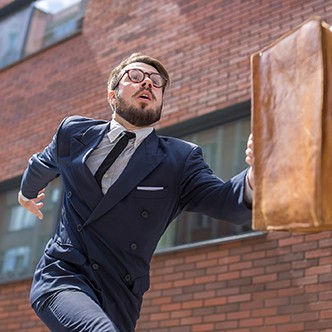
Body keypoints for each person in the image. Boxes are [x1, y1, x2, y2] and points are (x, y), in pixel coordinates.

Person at [18, 53, 255, 332]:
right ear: (112, 95)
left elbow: (226, 201)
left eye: (157, 82)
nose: (148, 84)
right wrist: (25, 193)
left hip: (120, 293)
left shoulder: (180, 159)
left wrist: (256, 171)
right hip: (63, 275)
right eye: (135, 76)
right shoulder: (73, 133)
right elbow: (41, 164)